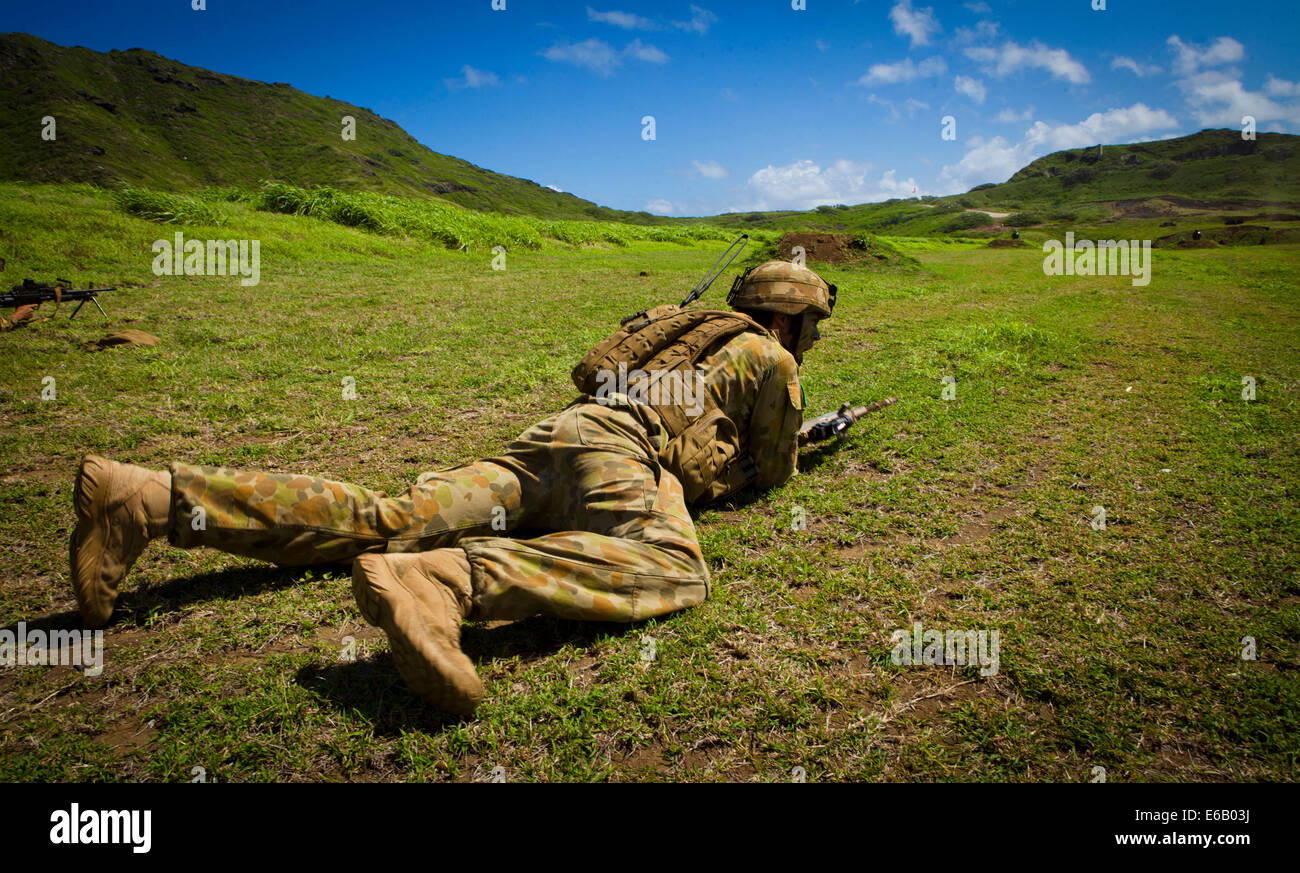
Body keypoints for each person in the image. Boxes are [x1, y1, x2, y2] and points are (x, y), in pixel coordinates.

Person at [67, 260, 835, 715]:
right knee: (676, 567)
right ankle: (443, 581)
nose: (811, 340)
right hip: (624, 455)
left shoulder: (682, 327)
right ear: (790, 317)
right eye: (813, 327)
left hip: (558, 435)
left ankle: (149, 498)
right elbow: (772, 473)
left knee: (388, 513)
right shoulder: (770, 358)